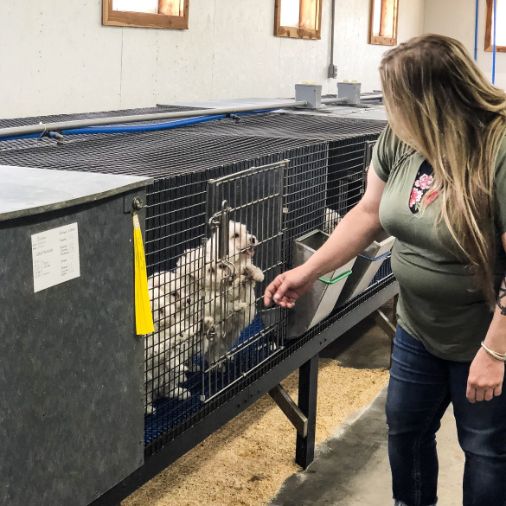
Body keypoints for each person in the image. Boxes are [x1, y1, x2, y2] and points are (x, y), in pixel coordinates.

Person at [264, 34, 506, 506]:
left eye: (396, 100)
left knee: (487, 450)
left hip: (485, 332)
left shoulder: (496, 148)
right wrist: (309, 271)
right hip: (418, 326)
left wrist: (496, 353)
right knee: (407, 428)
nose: (389, 111)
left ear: (430, 103)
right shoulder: (399, 138)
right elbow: (367, 213)